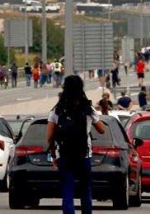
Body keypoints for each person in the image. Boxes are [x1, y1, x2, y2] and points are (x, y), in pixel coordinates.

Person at [46, 75, 106, 214]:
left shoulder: (57, 110)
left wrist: (54, 155)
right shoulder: (87, 109)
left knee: (67, 190)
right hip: (84, 154)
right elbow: (102, 130)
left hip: (64, 154)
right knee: (85, 189)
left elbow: (49, 137)